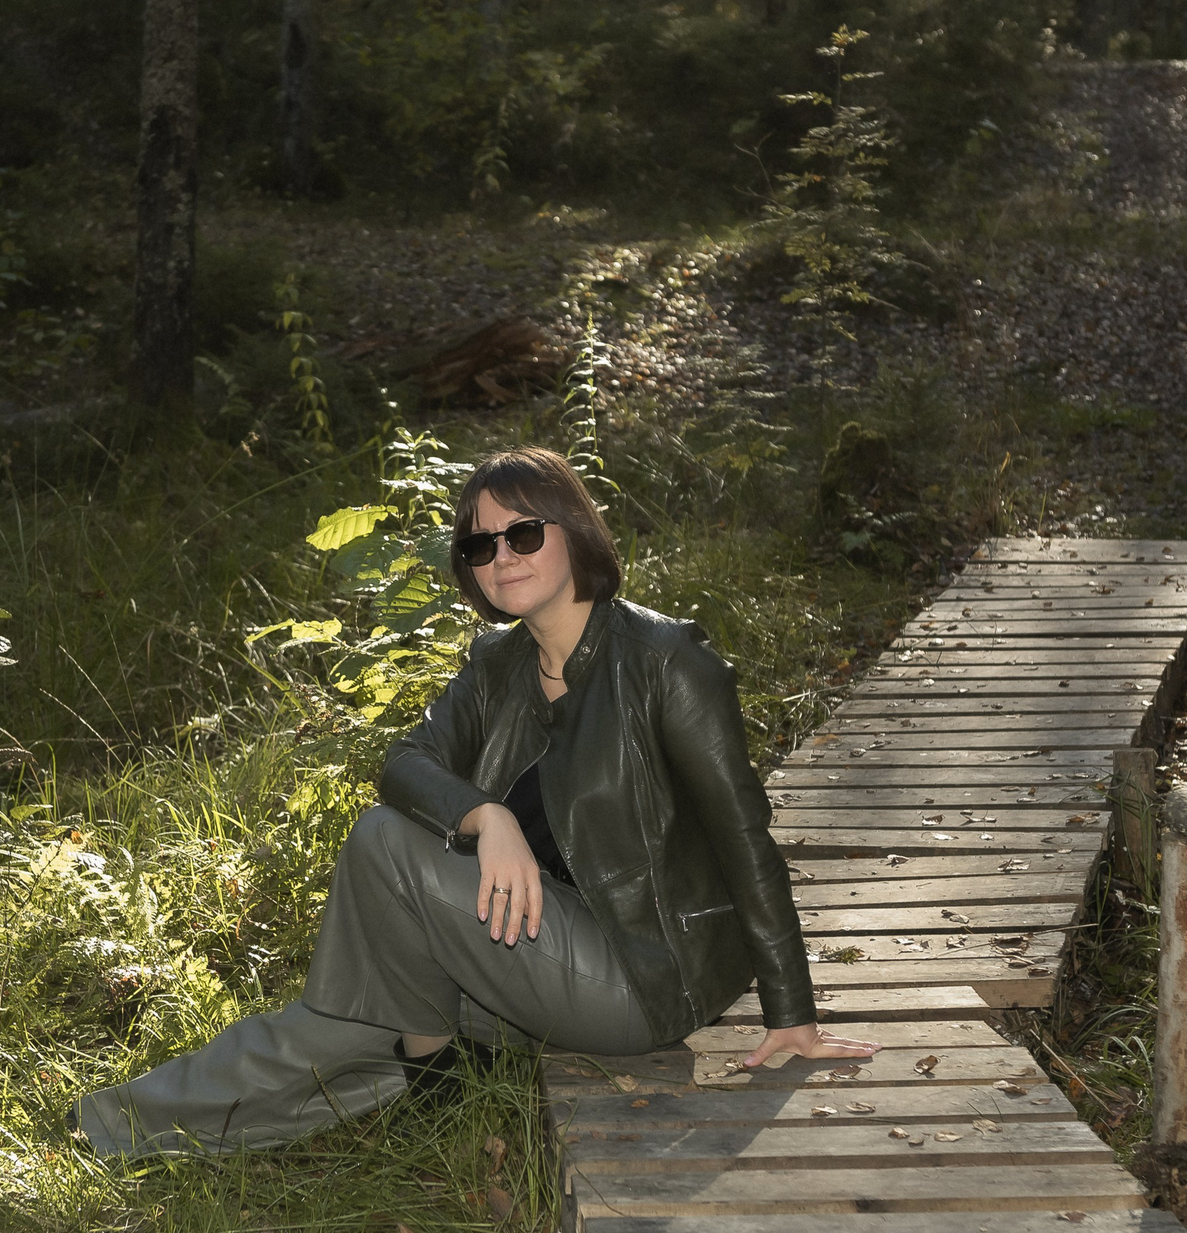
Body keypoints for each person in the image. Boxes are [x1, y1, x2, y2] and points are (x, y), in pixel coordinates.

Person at [72, 447, 876, 1157]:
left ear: (574, 532)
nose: (503, 556)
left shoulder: (666, 660)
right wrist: (487, 818)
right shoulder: (497, 665)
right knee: (346, 1024)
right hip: (535, 944)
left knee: (383, 846)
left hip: (640, 974)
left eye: (524, 533)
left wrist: (791, 1012)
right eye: (480, 544)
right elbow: (406, 761)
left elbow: (744, 834)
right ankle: (112, 1126)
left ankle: (428, 1075)